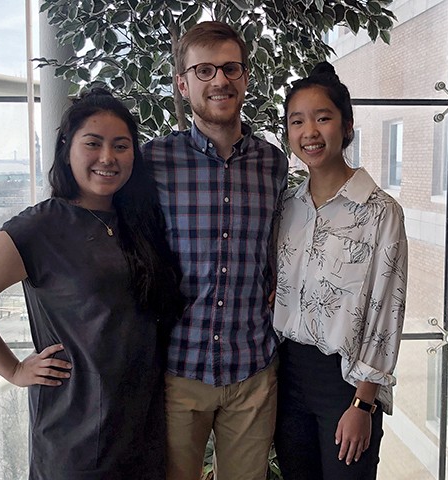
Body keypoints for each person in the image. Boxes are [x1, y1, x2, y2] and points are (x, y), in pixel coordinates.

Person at [0, 88, 184, 480]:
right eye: (93, 143)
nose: (108, 158)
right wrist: (15, 370)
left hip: (142, 430)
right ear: (67, 148)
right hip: (75, 436)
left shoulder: (139, 223)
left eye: (121, 146)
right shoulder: (39, 228)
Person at [143, 20, 289, 480]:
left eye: (230, 68)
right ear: (183, 84)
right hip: (177, 370)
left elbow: (278, 242)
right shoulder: (152, 162)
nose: (219, 80)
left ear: (245, 78)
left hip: (253, 371)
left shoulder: (273, 162)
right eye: (204, 70)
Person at [272, 62, 408, 480]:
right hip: (286, 376)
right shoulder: (286, 206)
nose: (309, 131)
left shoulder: (380, 211)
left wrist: (363, 404)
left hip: (344, 385)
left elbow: (387, 309)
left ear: (346, 126)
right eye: (297, 121)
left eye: (322, 118)